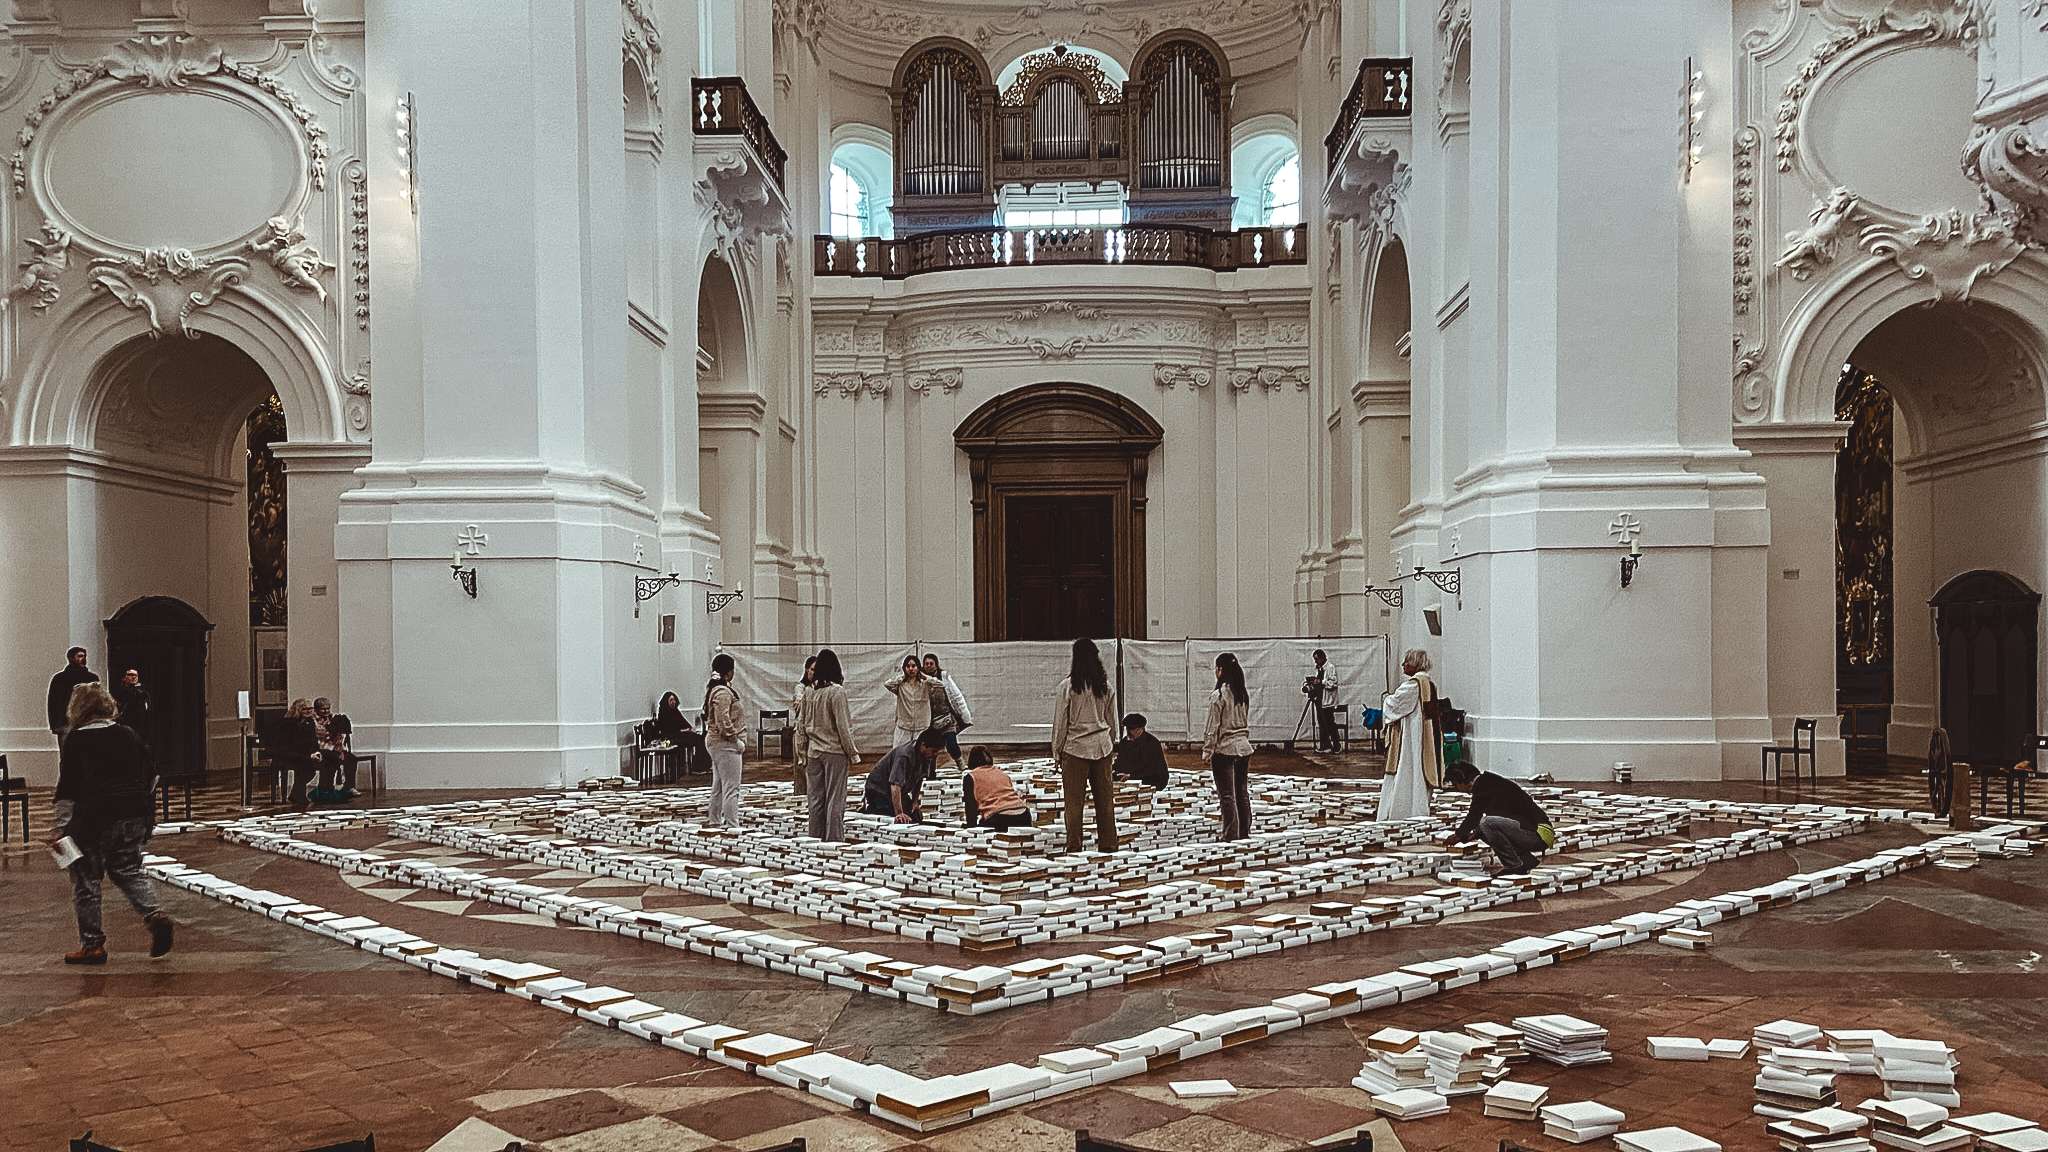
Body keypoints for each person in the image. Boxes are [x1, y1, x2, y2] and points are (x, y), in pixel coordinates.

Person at [52, 682, 173, 964]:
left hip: (93, 819)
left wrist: (59, 827)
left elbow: (68, 788)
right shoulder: (127, 734)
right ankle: (154, 913)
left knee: (87, 880)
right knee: (128, 870)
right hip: (133, 814)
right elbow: (153, 775)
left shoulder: (77, 739)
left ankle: (92, 945)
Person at [1052, 638, 1118, 854]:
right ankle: (1108, 845)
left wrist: (1057, 751)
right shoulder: (1105, 687)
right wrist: (1111, 744)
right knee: (1105, 802)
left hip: (1075, 749)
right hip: (1102, 748)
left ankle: (1074, 846)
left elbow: (1061, 722)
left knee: (1074, 804)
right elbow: (1112, 722)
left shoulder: (1068, 687)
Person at [1445, 762, 1555, 875]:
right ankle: (1526, 860)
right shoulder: (1488, 782)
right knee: (1483, 829)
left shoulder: (1484, 786)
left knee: (1486, 823)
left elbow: (1473, 816)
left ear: (1462, 781)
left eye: (1455, 785)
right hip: (1533, 831)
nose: (1457, 789)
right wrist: (1471, 835)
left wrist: (1458, 835)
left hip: (1539, 834)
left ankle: (1513, 865)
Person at [1376, 648, 1442, 822]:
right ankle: (1417, 809)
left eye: (1406, 661)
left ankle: (1402, 812)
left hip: (1412, 737)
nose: (1403, 664)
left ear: (1415, 664)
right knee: (1417, 772)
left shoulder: (1414, 684)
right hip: (1423, 734)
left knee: (1408, 770)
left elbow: (1394, 705)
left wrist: (1386, 700)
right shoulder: (1428, 683)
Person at [803, 648, 859, 841]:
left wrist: (802, 752)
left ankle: (814, 839)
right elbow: (843, 726)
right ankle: (834, 841)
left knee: (816, 800)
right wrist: (852, 753)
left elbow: (801, 725)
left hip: (813, 751)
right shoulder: (836, 692)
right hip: (834, 751)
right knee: (835, 798)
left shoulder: (809, 693)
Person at [1202, 653, 1256, 841]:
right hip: (1244, 747)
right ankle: (1244, 831)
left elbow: (1212, 727)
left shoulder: (1219, 696)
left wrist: (1207, 750)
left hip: (1225, 749)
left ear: (1220, 670)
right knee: (1241, 790)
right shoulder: (1242, 694)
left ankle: (1230, 834)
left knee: (1227, 795)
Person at [862, 727, 945, 823]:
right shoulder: (904, 756)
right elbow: (895, 785)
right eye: (934, 751)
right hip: (878, 790)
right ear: (923, 745)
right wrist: (899, 813)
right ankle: (871, 809)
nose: (935, 754)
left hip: (899, 792)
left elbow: (919, 780)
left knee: (915, 817)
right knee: (893, 818)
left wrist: (914, 803)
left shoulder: (927, 757)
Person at [702, 653, 746, 826]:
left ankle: (714, 820)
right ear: (728, 672)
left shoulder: (716, 690)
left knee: (719, 785)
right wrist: (735, 739)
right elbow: (723, 719)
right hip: (725, 744)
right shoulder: (722, 692)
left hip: (718, 743)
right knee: (731, 787)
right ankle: (732, 824)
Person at [961, 746, 1033, 831]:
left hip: (1000, 818)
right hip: (1024, 815)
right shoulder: (1002, 774)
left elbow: (970, 806)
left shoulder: (971, 777)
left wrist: (971, 830)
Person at [921, 653, 973, 767]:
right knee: (931, 748)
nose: (929, 666)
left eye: (931, 663)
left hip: (947, 719)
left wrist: (964, 714)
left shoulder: (944, 677)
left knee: (952, 744)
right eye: (926, 664)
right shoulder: (920, 680)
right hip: (930, 722)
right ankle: (930, 772)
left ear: (936, 665)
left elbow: (956, 695)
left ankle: (961, 765)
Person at [276, 698, 321, 812]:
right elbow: (292, 744)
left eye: (310, 709)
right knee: (306, 767)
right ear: (298, 710)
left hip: (305, 753)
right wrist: (309, 755)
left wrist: (316, 752)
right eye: (305, 709)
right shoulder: (290, 723)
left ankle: (296, 794)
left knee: (312, 768)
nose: (308, 711)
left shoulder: (310, 722)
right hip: (290, 753)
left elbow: (313, 740)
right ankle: (298, 795)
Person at [47, 646, 99, 745]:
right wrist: (56, 724)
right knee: (67, 754)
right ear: (71, 658)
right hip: (66, 723)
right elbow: (53, 703)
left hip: (87, 722)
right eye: (79, 656)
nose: (83, 659)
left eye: (84, 656)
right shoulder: (59, 679)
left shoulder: (91, 678)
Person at [883, 654, 933, 750]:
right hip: (903, 726)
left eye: (914, 666)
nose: (911, 669)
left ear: (918, 667)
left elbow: (940, 684)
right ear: (904, 668)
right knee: (899, 752)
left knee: (920, 754)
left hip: (922, 726)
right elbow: (887, 684)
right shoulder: (901, 685)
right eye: (908, 666)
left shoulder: (925, 684)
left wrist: (924, 676)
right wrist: (902, 678)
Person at [311, 697, 358, 799]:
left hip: (334, 747)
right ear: (316, 709)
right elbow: (321, 734)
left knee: (351, 758)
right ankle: (327, 788)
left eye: (328, 708)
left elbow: (339, 736)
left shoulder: (333, 718)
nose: (326, 711)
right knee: (332, 758)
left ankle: (349, 786)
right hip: (320, 748)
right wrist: (330, 728)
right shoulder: (313, 720)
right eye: (323, 709)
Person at [1113, 713, 1170, 789]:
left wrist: (1131, 776)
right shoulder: (1125, 742)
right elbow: (1121, 761)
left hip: (1151, 779)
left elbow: (1152, 768)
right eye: (1129, 730)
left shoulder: (1151, 743)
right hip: (1129, 777)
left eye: (1133, 730)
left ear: (1140, 729)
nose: (1130, 732)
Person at [791, 657, 817, 796]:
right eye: (812, 669)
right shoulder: (800, 687)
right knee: (801, 771)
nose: (813, 672)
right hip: (801, 733)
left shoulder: (820, 689)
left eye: (816, 670)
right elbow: (799, 704)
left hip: (815, 734)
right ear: (807, 669)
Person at [1307, 648, 1341, 752]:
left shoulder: (1330, 668)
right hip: (1320, 700)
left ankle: (1336, 746)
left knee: (1330, 724)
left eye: (1317, 659)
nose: (1316, 661)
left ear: (1322, 658)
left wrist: (1321, 682)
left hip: (1327, 701)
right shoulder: (1320, 669)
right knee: (1322, 724)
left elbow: (1333, 683)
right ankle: (1325, 745)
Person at [112, 669, 150, 746]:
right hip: (124, 725)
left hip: (140, 726)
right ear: (124, 678)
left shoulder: (143, 692)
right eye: (130, 675)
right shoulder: (119, 691)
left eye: (135, 675)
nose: (133, 677)